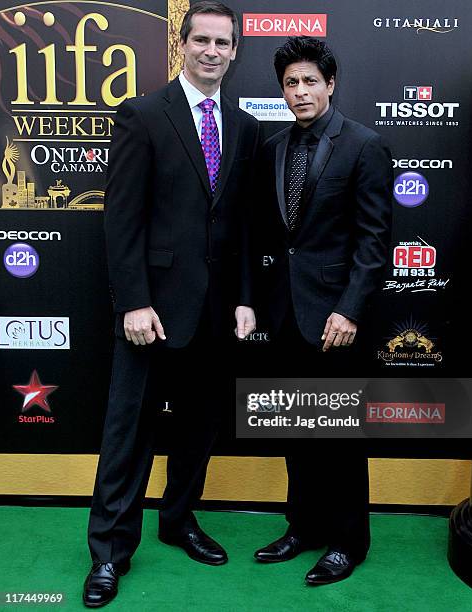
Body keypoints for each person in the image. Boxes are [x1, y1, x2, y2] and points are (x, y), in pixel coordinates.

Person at [83, 2, 259, 607]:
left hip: (214, 314)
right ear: (182, 45)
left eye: (223, 43)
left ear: (236, 52)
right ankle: (109, 552)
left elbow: (238, 225)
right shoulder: (142, 114)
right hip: (151, 311)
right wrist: (133, 301)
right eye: (202, 40)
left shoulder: (242, 124)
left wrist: (242, 299)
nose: (212, 51)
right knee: (128, 432)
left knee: (197, 428)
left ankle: (178, 519)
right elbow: (121, 218)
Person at [252, 37, 392, 585]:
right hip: (286, 314)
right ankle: (302, 527)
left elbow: (375, 240)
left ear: (330, 84)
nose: (300, 91)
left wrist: (351, 310)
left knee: (337, 435)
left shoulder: (363, 144)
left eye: (310, 80)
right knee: (294, 429)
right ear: (282, 90)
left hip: (337, 319)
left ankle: (348, 540)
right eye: (291, 82)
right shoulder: (273, 147)